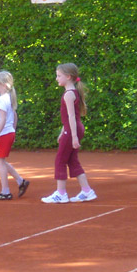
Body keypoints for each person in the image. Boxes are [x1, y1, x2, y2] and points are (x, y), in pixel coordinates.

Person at [42, 63, 97, 203]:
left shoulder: (69, 94)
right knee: (72, 161)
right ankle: (87, 191)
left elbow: (72, 117)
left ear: (68, 77)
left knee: (60, 160)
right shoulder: (73, 92)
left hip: (73, 130)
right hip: (73, 129)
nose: (56, 78)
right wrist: (63, 131)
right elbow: (68, 118)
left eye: (59, 76)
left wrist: (72, 137)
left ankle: (61, 193)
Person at [0, 71, 30, 200]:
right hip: (8, 132)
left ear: (4, 85)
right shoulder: (9, 98)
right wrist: (13, 130)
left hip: (3, 134)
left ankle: (5, 191)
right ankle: (20, 181)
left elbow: (3, 119)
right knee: (1, 160)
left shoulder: (1, 100)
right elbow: (14, 116)